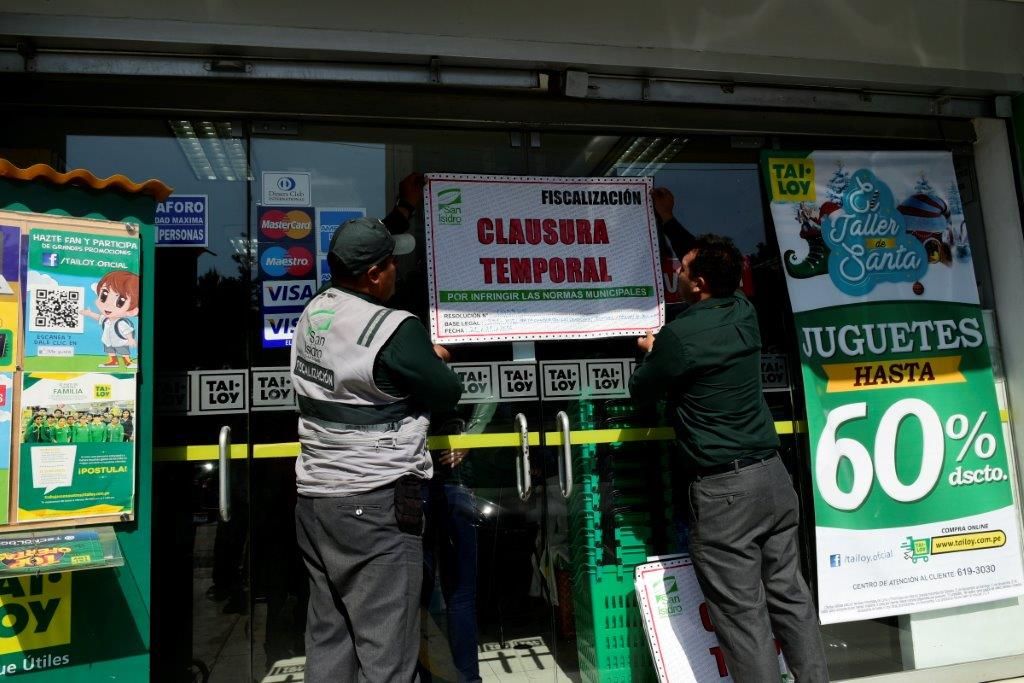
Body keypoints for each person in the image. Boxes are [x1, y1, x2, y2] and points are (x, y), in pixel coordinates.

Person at [628, 234, 829, 683]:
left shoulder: (678, 336)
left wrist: (650, 351)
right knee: (791, 598)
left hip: (726, 494)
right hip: (774, 480)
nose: (676, 270)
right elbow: (723, 270)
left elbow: (642, 390)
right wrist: (669, 223)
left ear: (698, 283)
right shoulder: (744, 312)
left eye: (682, 267)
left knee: (743, 620)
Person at [291, 216, 463, 683]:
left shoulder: (315, 311)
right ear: (373, 274)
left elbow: (357, 381)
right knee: (386, 655)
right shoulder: (393, 328)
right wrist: (434, 359)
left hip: (316, 498)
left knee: (330, 640)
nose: (396, 272)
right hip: (375, 501)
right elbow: (446, 392)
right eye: (391, 264)